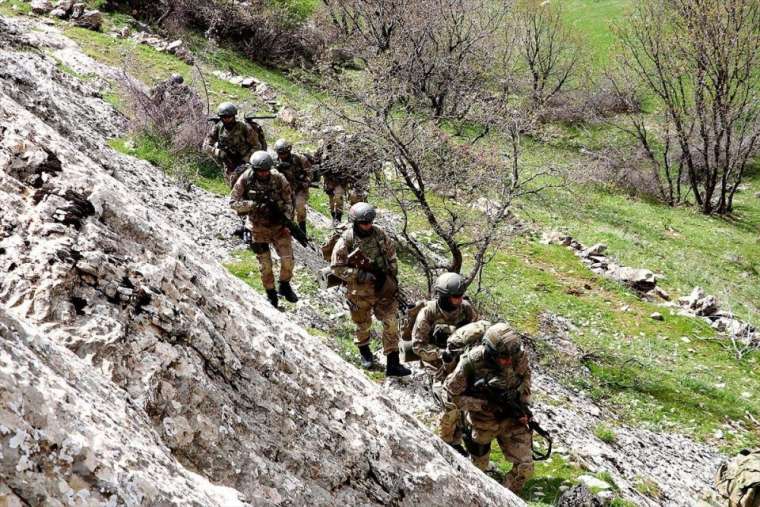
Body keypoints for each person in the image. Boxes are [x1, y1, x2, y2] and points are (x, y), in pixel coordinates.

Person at [444, 323, 534, 494]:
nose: (508, 362)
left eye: (511, 357)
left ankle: (506, 496)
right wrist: (482, 404)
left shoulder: (517, 357)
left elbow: (526, 377)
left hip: (512, 418)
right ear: (491, 353)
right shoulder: (470, 363)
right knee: (477, 470)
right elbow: (451, 395)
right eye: (503, 358)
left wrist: (523, 406)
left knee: (526, 467)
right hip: (483, 420)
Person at [330, 202, 411, 377]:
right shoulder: (347, 240)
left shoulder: (379, 233)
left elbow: (391, 255)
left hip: (382, 288)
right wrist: (361, 275)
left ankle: (393, 363)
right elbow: (337, 268)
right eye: (363, 223)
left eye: (369, 222)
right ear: (355, 222)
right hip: (359, 292)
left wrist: (390, 277)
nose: (367, 225)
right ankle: (365, 351)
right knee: (363, 324)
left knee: (391, 322)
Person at [410, 272, 479, 454]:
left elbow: (477, 333)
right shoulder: (428, 313)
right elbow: (418, 346)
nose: (458, 301)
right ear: (443, 296)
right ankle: (446, 443)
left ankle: (459, 439)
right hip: (437, 366)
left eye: (460, 297)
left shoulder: (466, 310)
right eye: (454, 297)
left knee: (466, 404)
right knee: (449, 404)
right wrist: (441, 354)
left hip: (461, 363)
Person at [230, 151, 298, 308]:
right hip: (257, 227)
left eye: (266, 170)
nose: (264, 173)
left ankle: (285, 285)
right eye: (260, 171)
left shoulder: (278, 178)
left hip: (278, 226)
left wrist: (285, 216)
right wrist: (253, 205)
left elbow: (289, 200)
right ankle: (271, 295)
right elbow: (233, 202)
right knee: (265, 266)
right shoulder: (246, 179)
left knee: (288, 260)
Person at [204, 102, 266, 188]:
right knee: (232, 185)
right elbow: (206, 145)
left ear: (234, 116)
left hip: (245, 161)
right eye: (224, 118)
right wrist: (218, 152)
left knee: (247, 184)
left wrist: (245, 160)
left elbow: (257, 146)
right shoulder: (218, 128)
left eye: (229, 117)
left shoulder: (244, 127)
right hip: (228, 162)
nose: (227, 120)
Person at [274, 139, 312, 235]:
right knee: (287, 211)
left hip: (300, 189)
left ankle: (303, 231)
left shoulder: (299, 159)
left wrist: (305, 181)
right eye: (280, 153)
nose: (282, 155)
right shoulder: (275, 162)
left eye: (284, 153)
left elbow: (310, 172)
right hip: (285, 191)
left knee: (300, 207)